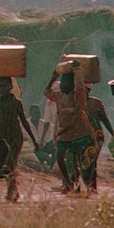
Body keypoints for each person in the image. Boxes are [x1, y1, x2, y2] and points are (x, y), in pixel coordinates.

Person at [0, 64, 39, 201]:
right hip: (1, 137)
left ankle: (11, 193)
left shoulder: (16, 103)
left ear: (11, 87)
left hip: (15, 137)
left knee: (10, 165)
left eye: (5, 86)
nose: (2, 89)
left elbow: (24, 122)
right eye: (0, 86)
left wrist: (34, 140)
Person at [44, 62, 95, 194]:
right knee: (59, 155)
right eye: (62, 83)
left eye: (66, 83)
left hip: (79, 131)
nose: (63, 85)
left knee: (77, 160)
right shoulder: (59, 95)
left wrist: (77, 71)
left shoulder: (78, 95)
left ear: (72, 84)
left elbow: (79, 86)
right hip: (64, 131)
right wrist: (53, 77)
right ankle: (67, 182)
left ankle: (78, 184)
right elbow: (46, 92)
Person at [84, 82, 114, 192]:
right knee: (84, 161)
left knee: (92, 160)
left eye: (85, 90)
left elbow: (104, 119)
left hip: (96, 135)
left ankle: (91, 186)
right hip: (81, 135)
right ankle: (86, 185)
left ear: (89, 91)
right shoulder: (76, 103)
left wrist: (112, 133)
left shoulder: (96, 103)